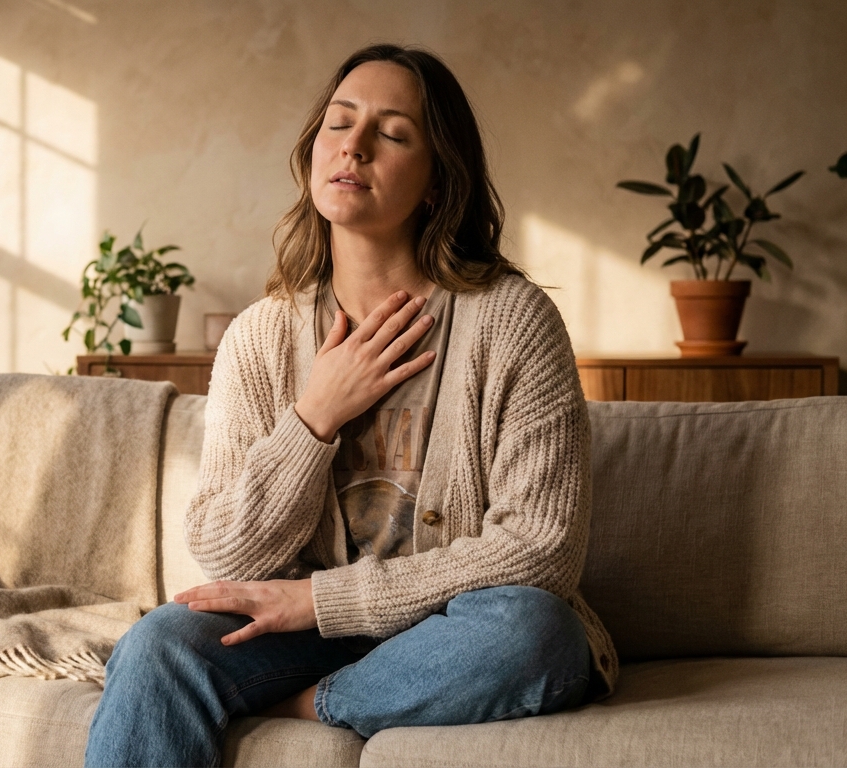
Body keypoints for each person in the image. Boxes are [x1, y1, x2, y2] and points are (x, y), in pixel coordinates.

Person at [84, 43, 618, 768]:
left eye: (392, 134)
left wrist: (320, 602)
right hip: (305, 637)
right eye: (339, 124)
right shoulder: (261, 336)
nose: (354, 146)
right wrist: (313, 419)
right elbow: (228, 552)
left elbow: (542, 550)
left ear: (437, 181)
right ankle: (365, 690)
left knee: (536, 631)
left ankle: (319, 704)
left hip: (453, 627)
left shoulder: (512, 322)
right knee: (159, 645)